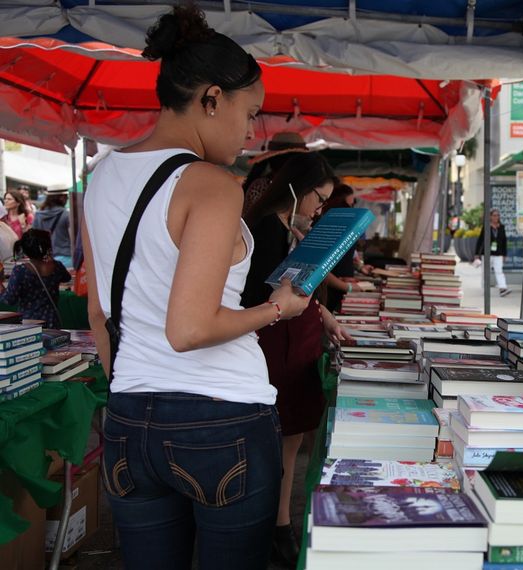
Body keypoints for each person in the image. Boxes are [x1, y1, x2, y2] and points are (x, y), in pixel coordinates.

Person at [80, 7, 310, 570]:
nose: (251, 132)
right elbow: (190, 329)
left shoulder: (103, 175)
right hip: (223, 421)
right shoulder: (209, 183)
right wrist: (275, 309)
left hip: (130, 416)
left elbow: (98, 313)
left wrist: (136, 393)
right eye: (249, 113)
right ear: (212, 99)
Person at [241, 152, 350, 569]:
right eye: (317, 199)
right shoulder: (266, 230)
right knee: (281, 437)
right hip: (275, 344)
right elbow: (270, 298)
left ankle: (279, 522)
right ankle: (276, 525)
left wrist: (324, 317)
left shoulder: (287, 228)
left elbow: (297, 294)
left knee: (291, 437)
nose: (319, 208)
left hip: (295, 341)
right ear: (295, 189)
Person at [0, 229, 70, 328]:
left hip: (29, 323)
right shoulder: (56, 266)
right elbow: (67, 278)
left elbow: (9, 300)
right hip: (52, 322)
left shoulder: (20, 271)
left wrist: (1, 289)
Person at [321, 183, 373, 313]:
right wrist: (347, 287)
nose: (351, 208)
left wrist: (359, 266)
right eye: (348, 205)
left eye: (353, 204)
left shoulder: (344, 227)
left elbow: (349, 253)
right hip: (332, 290)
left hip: (343, 287)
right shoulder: (325, 229)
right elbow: (320, 270)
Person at [474, 208, 510, 297]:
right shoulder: (486, 227)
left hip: (498, 253)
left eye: (497, 215)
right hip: (487, 253)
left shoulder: (501, 227)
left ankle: (503, 288)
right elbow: (480, 240)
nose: (496, 217)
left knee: (499, 271)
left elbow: (504, 241)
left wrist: (504, 254)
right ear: (490, 217)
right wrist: (476, 254)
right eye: (494, 215)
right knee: (486, 272)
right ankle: (485, 289)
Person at [32, 188, 72, 268]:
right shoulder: (66, 215)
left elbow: (34, 237)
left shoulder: (38, 215)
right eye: (66, 197)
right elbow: (72, 237)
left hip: (45, 260)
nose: (67, 199)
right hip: (66, 258)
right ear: (61, 198)